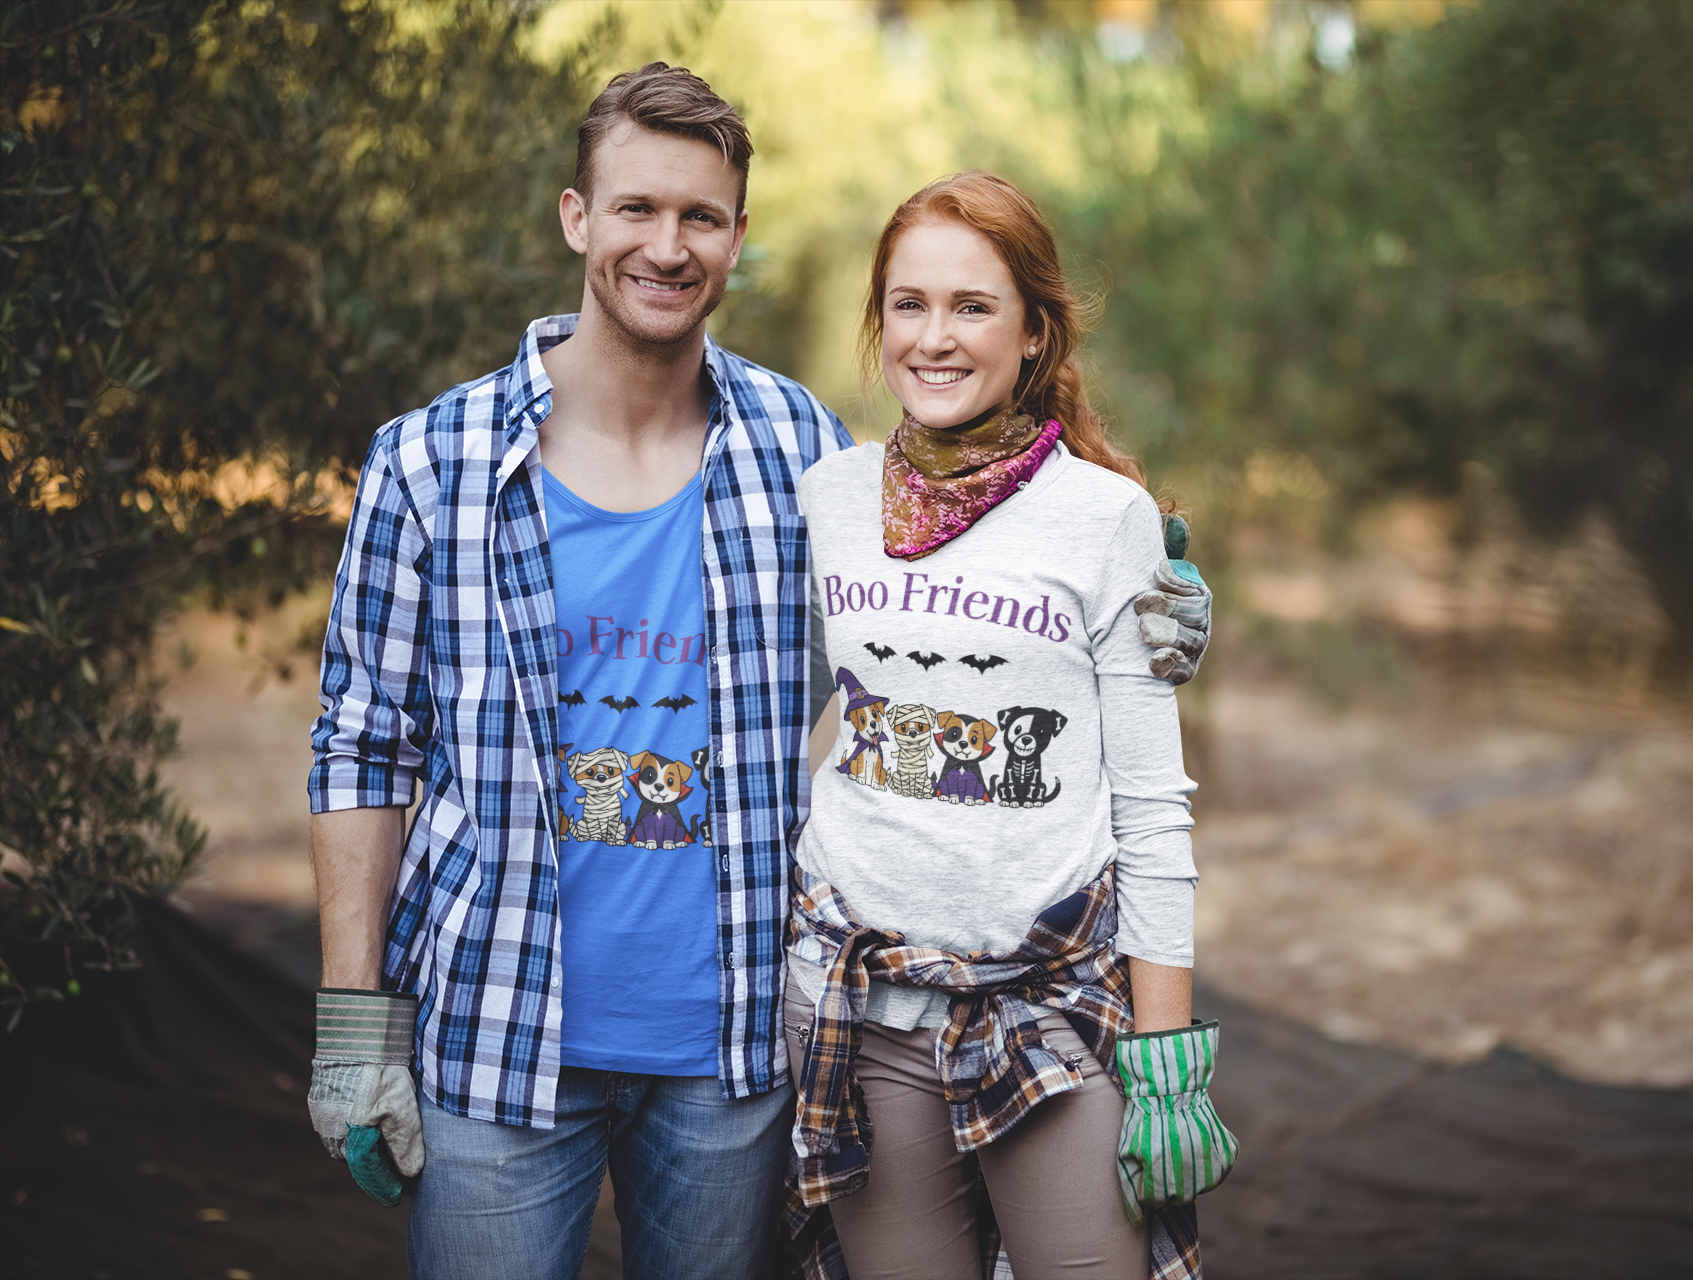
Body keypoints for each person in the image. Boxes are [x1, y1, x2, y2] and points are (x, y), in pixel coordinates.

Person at [302, 67, 1211, 1280]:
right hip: (494, 1031)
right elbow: (362, 741)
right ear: (578, 218)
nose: (666, 247)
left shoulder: (797, 451)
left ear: (737, 238)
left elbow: (946, 597)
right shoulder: (431, 463)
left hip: (738, 1053)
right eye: (636, 209)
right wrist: (354, 1015)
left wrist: (1139, 605)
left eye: (702, 218)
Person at [783, 172, 1234, 1280]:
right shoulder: (828, 500)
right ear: (878, 320)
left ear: (1035, 333)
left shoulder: (1104, 517)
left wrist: (1166, 1052)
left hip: (1049, 1013)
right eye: (908, 303)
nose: (934, 337)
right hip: (862, 1008)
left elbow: (1149, 802)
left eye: (973, 307)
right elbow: (769, 713)